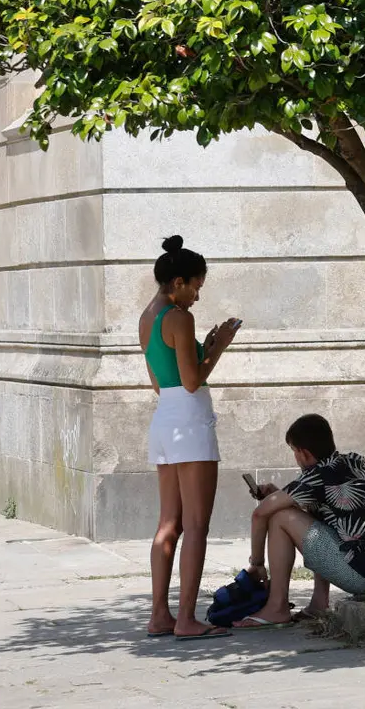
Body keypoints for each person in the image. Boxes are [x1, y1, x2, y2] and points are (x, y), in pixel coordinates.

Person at [140, 235, 243, 641]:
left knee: (169, 523)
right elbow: (192, 380)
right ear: (178, 282)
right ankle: (186, 619)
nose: (198, 297)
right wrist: (219, 347)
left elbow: (159, 382)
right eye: (196, 287)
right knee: (197, 525)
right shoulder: (180, 318)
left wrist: (206, 348)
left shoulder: (147, 316)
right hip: (189, 421)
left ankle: (160, 615)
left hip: (164, 419)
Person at [236, 414, 365, 627]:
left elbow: (260, 513)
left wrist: (257, 564)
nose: (295, 457)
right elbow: (325, 513)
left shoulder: (317, 476)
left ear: (304, 453)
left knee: (280, 517)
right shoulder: (355, 461)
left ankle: (277, 607)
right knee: (318, 521)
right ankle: (319, 603)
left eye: (294, 451)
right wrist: (278, 495)